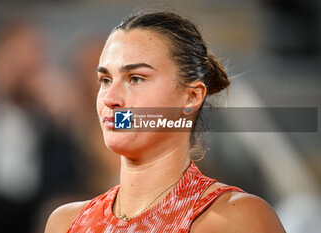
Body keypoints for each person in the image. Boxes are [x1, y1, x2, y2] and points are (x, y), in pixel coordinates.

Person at [45, 10, 286, 233]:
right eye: (105, 80)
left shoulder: (238, 219)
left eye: (136, 79)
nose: (110, 98)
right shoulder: (65, 222)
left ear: (191, 96)